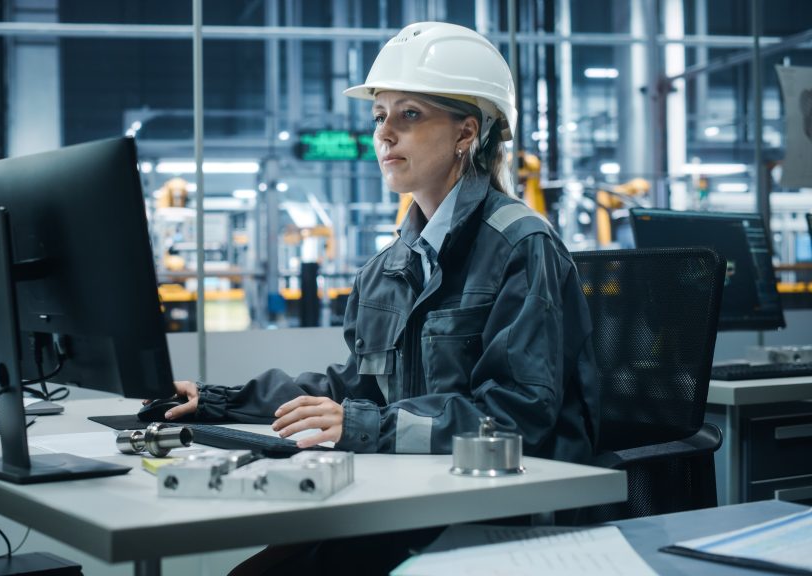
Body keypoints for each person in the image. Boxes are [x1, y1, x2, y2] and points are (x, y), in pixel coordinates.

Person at [155, 22, 600, 572]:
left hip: (498, 512)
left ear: (466, 132)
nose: (384, 134)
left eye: (408, 114)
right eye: (378, 115)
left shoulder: (521, 248)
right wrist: (217, 401)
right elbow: (355, 389)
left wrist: (364, 425)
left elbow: (514, 417)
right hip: (414, 498)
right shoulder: (388, 267)